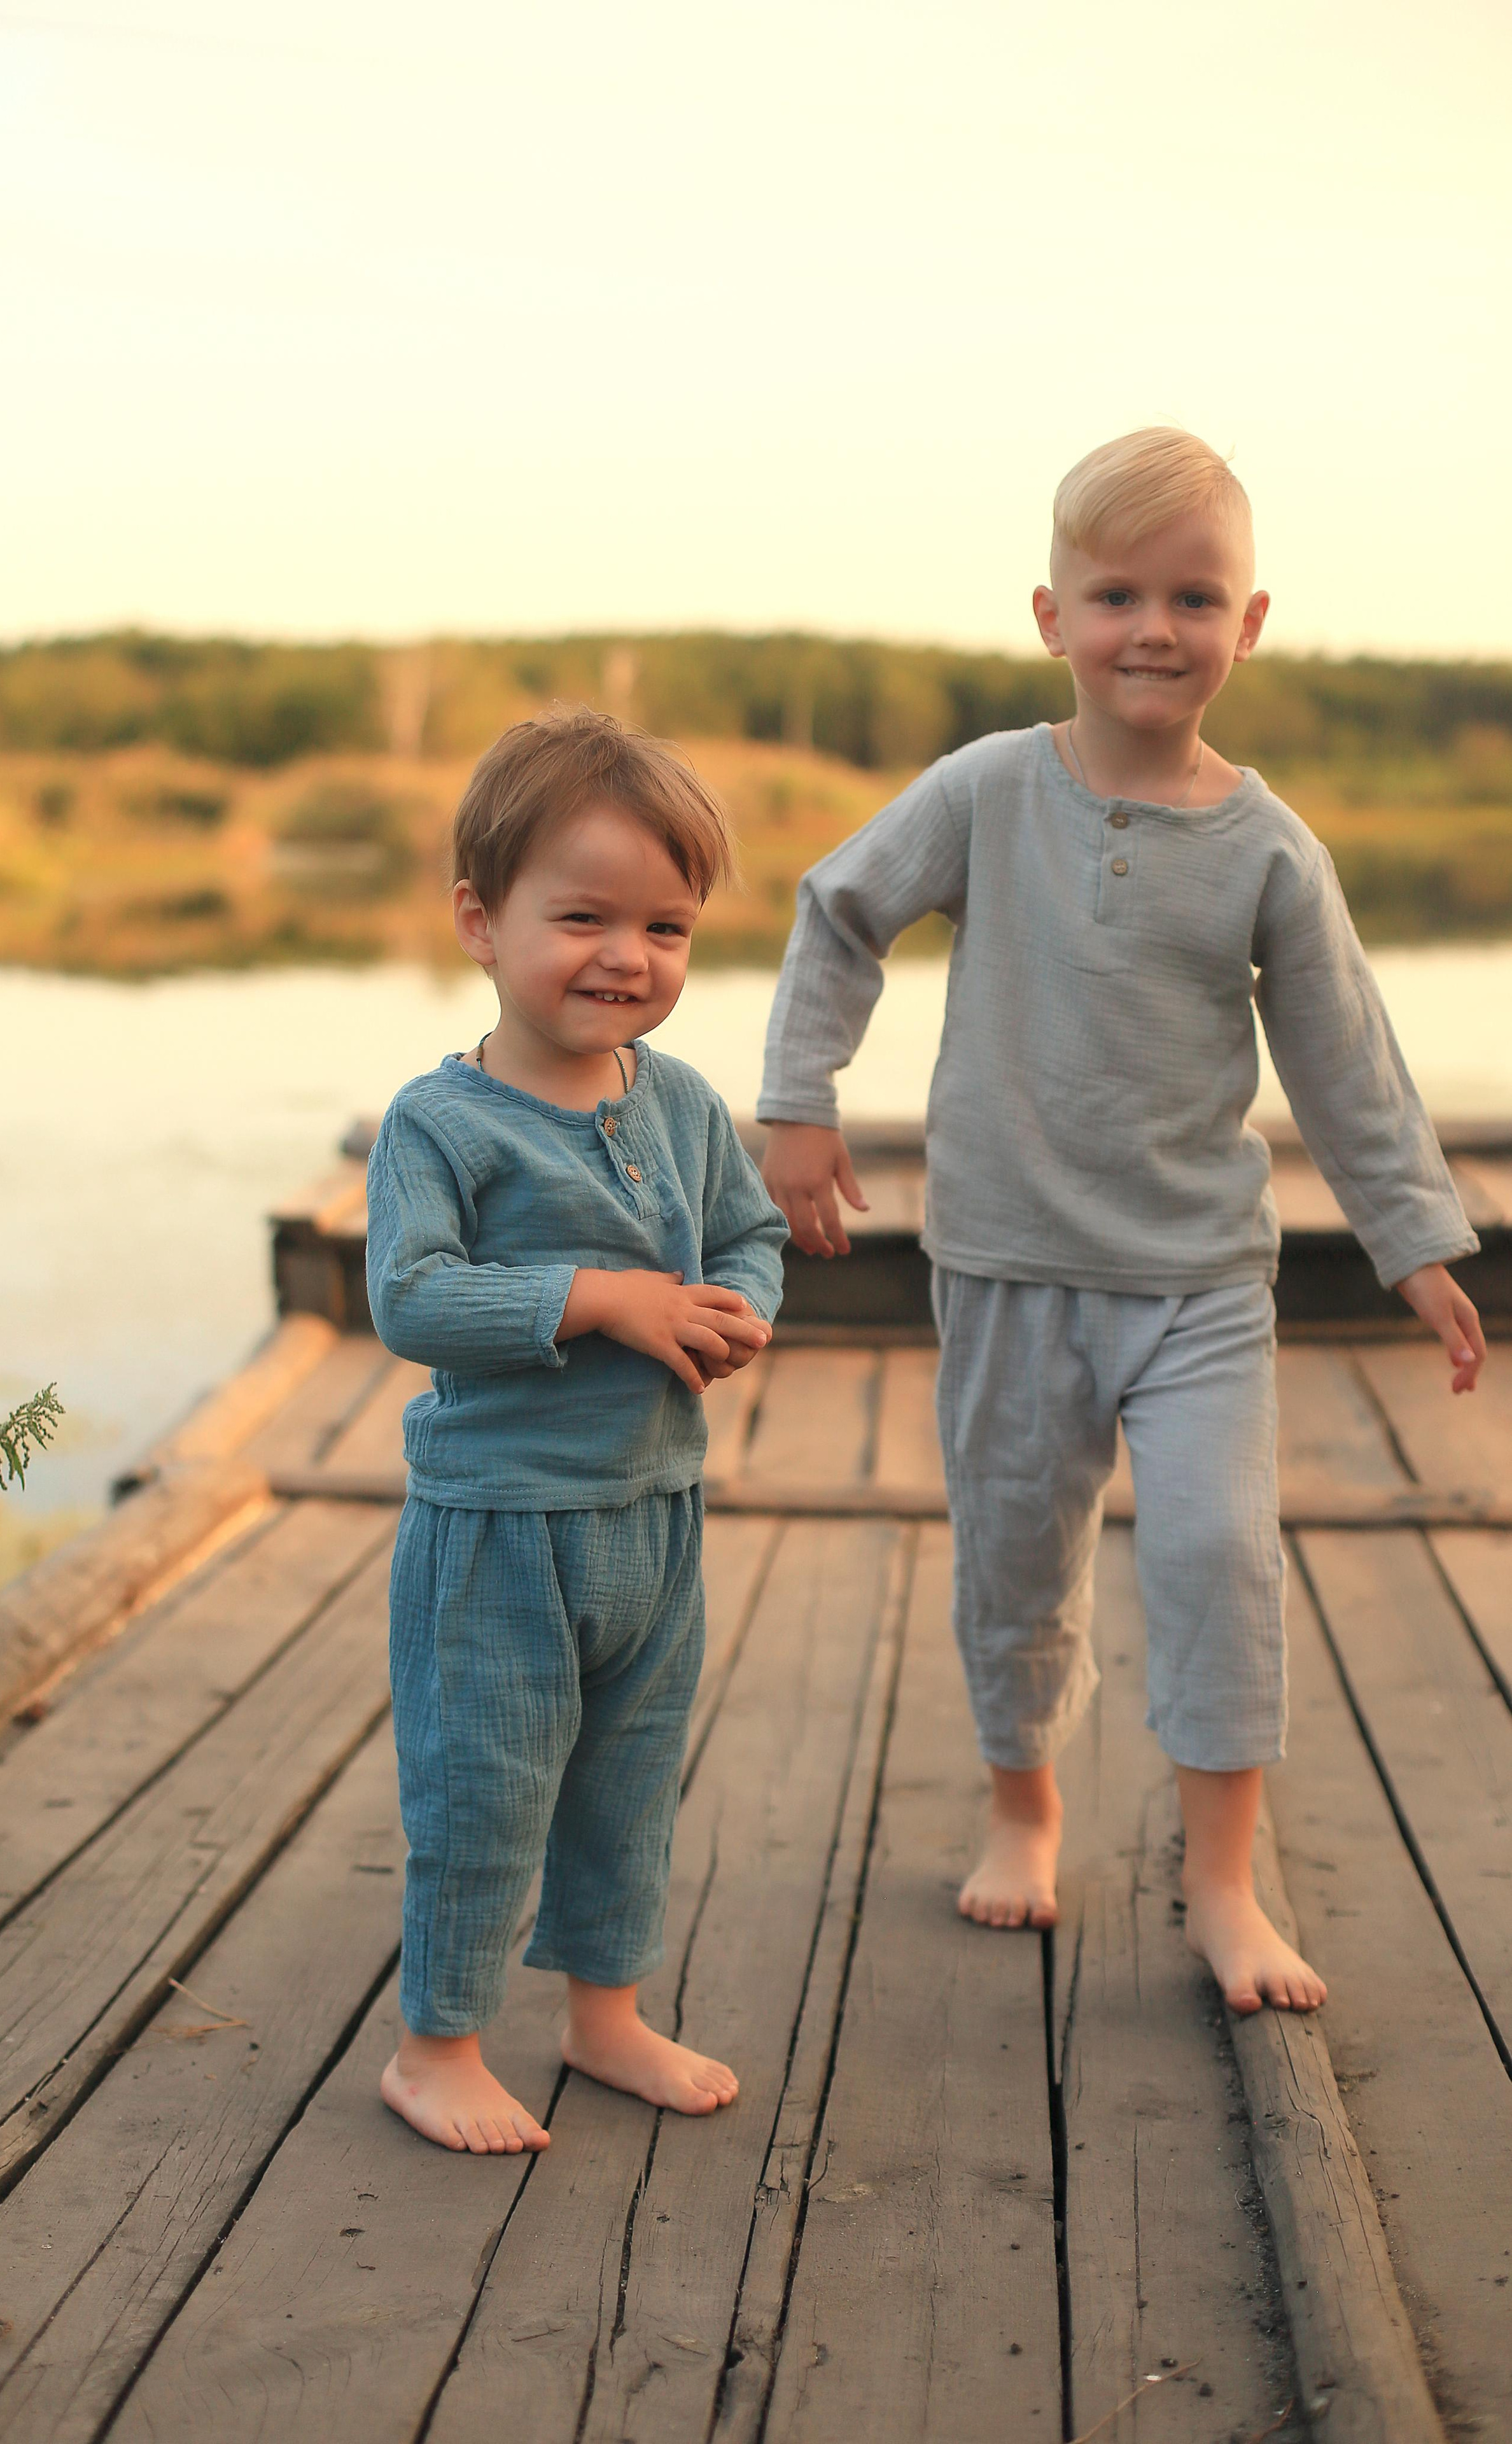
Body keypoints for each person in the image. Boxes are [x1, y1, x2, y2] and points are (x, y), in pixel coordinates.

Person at [757, 428, 1485, 2016]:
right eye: (1114, 595)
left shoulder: (1267, 848)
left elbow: (1345, 1058)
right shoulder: (986, 793)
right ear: (1048, 616)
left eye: (1192, 596)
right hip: (1009, 1265)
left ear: (1250, 622)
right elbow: (836, 912)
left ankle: (1220, 1884)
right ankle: (1025, 1809)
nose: (1151, 627)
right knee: (1017, 1562)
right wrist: (796, 1100)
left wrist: (1414, 1241)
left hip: (1197, 1280)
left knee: (1220, 1551)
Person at [367, 708, 787, 2153]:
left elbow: (745, 1232)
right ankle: (436, 2048)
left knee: (623, 1785)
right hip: (497, 1530)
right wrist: (600, 1297)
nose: (628, 957)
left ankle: (603, 2016)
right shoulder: (443, 1126)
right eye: (584, 917)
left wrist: (735, 1301)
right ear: (481, 923)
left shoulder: (675, 1104)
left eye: (665, 928)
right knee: (483, 1789)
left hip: (651, 1514)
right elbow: (412, 1299)